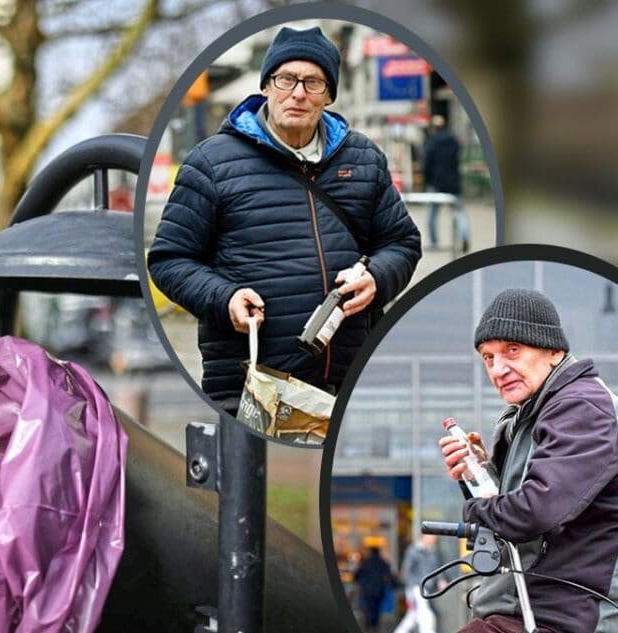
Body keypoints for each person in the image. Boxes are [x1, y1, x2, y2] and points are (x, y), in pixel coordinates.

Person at [147, 25, 422, 409]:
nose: (297, 93)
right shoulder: (211, 163)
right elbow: (168, 259)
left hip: (350, 385)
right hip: (250, 388)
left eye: (313, 82)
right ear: (265, 85)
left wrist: (378, 277)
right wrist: (224, 298)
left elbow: (402, 242)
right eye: (286, 79)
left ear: (328, 95)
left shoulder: (363, 158)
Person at [390, 289, 618, 633]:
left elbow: (536, 511)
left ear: (552, 351)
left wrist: (474, 511)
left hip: (549, 621)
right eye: (488, 357)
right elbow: (527, 507)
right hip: (525, 612)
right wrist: (478, 476)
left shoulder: (581, 407)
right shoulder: (537, 413)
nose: (497, 368)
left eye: (512, 350)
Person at [388, 534, 444, 633]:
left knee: (413, 616)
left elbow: (437, 570)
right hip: (416, 588)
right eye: (431, 538)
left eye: (434, 539)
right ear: (423, 537)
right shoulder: (413, 551)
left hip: (425, 588)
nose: (433, 540)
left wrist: (440, 580)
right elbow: (406, 572)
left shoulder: (431, 553)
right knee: (425, 615)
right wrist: (413, 588)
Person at [420, 114, 466, 250]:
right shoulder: (454, 141)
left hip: (436, 183)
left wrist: (427, 180)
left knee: (432, 215)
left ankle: (434, 242)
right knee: (459, 212)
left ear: (433, 128)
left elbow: (426, 164)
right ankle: (464, 237)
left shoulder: (432, 142)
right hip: (453, 182)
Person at [354, 545, 396, 633]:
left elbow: (357, 575)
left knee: (368, 606)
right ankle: (374, 623)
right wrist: (394, 584)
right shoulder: (383, 563)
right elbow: (389, 575)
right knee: (376, 607)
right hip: (379, 588)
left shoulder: (365, 562)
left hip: (367, 589)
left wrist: (360, 582)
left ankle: (369, 623)